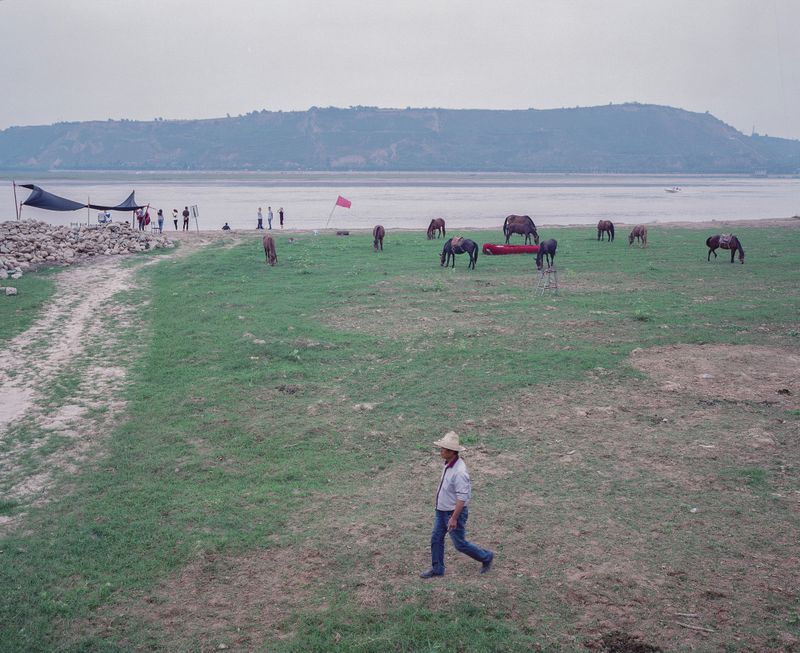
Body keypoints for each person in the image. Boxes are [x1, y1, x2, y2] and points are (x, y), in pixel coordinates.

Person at [420, 431, 494, 579]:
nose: (440, 450)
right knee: (436, 539)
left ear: (452, 452)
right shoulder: (448, 463)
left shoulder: (459, 472)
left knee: (459, 544)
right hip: (441, 511)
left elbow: (462, 498)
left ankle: (486, 557)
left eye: (443, 448)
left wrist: (453, 518)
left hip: (453, 513)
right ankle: (437, 569)